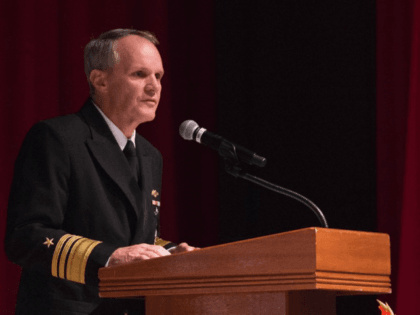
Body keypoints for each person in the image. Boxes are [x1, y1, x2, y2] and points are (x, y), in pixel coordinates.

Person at [5, 29, 195, 315]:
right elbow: (27, 235)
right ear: (100, 80)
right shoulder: (57, 138)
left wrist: (170, 254)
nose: (154, 87)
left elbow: (132, 237)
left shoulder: (150, 155)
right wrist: (109, 257)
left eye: (158, 76)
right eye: (139, 74)